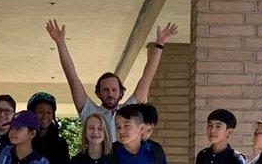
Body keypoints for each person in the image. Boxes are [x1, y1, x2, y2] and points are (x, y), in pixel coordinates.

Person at [46, 19, 178, 141]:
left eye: (114, 89)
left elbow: (147, 77)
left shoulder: (132, 109)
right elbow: (72, 78)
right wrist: (60, 42)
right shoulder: (90, 112)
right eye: (105, 90)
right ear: (98, 93)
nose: (110, 93)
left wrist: (160, 43)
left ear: (121, 92)